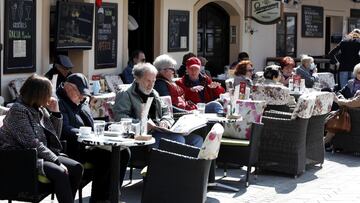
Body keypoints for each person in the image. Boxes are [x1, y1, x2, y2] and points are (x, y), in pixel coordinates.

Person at [0, 74, 83, 203]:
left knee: (77, 167)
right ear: (38, 94)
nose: (51, 97)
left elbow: (54, 135)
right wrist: (56, 161)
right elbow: (32, 143)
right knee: (60, 172)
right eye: (48, 94)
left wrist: (55, 112)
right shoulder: (18, 110)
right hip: (21, 158)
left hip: (39, 155)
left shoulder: (39, 108)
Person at [57, 73, 130, 202]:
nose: (82, 97)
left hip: (90, 144)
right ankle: (98, 199)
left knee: (124, 152)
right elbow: (64, 129)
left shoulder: (82, 102)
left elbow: (91, 124)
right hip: (72, 147)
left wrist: (110, 126)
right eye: (79, 93)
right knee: (105, 155)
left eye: (83, 94)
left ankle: (112, 196)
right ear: (68, 88)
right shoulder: (59, 102)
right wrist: (87, 134)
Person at [113, 62, 203, 148]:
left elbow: (166, 110)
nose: (151, 85)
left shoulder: (153, 93)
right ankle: (176, 164)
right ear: (137, 79)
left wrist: (165, 121)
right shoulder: (126, 94)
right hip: (141, 136)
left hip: (159, 130)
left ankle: (189, 164)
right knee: (178, 140)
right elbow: (119, 117)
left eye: (153, 81)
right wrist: (142, 124)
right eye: (148, 81)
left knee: (197, 140)